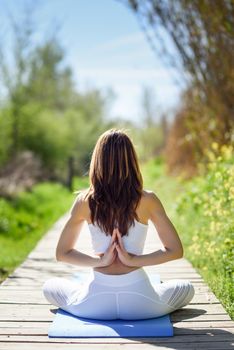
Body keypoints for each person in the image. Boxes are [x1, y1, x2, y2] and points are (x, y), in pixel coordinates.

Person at [42, 128, 195, 320]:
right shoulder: (148, 200)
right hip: (140, 303)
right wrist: (133, 261)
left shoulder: (84, 201)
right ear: (132, 161)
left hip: (95, 303)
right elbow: (175, 250)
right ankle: (154, 289)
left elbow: (62, 253)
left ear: (97, 161)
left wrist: (101, 262)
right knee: (187, 288)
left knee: (50, 286)